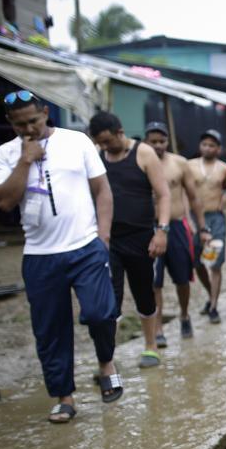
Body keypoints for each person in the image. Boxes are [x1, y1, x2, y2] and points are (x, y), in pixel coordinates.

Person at [0, 90, 121, 422]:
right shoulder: (6, 153)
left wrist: (102, 237)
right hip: (40, 255)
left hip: (85, 246)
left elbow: (102, 190)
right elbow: (4, 202)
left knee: (99, 312)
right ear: (10, 123)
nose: (28, 129)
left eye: (33, 121)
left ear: (46, 112)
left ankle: (106, 361)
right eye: (20, 124)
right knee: (50, 330)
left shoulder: (77, 141)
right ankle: (65, 397)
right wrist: (25, 158)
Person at [88, 113, 171, 369]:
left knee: (144, 293)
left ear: (120, 131)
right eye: (99, 143)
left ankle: (151, 346)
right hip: (107, 239)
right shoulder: (97, 156)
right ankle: (107, 358)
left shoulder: (144, 153)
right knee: (108, 299)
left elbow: (164, 194)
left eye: (107, 141)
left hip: (140, 238)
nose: (104, 147)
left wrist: (162, 231)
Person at [144, 123, 205, 346]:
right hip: (150, 227)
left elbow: (194, 196)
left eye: (162, 141)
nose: (158, 146)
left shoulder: (179, 163)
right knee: (154, 282)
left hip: (177, 225)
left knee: (182, 278)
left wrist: (202, 227)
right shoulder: (140, 162)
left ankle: (184, 314)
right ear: (146, 142)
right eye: (154, 141)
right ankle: (158, 327)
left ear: (168, 141)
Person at [188, 129, 226, 324]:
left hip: (216, 217)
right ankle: (209, 294)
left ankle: (213, 306)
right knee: (196, 262)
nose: (207, 148)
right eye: (204, 144)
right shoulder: (189, 166)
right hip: (195, 217)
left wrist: (225, 204)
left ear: (218, 149)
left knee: (216, 263)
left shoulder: (224, 168)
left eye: (212, 145)